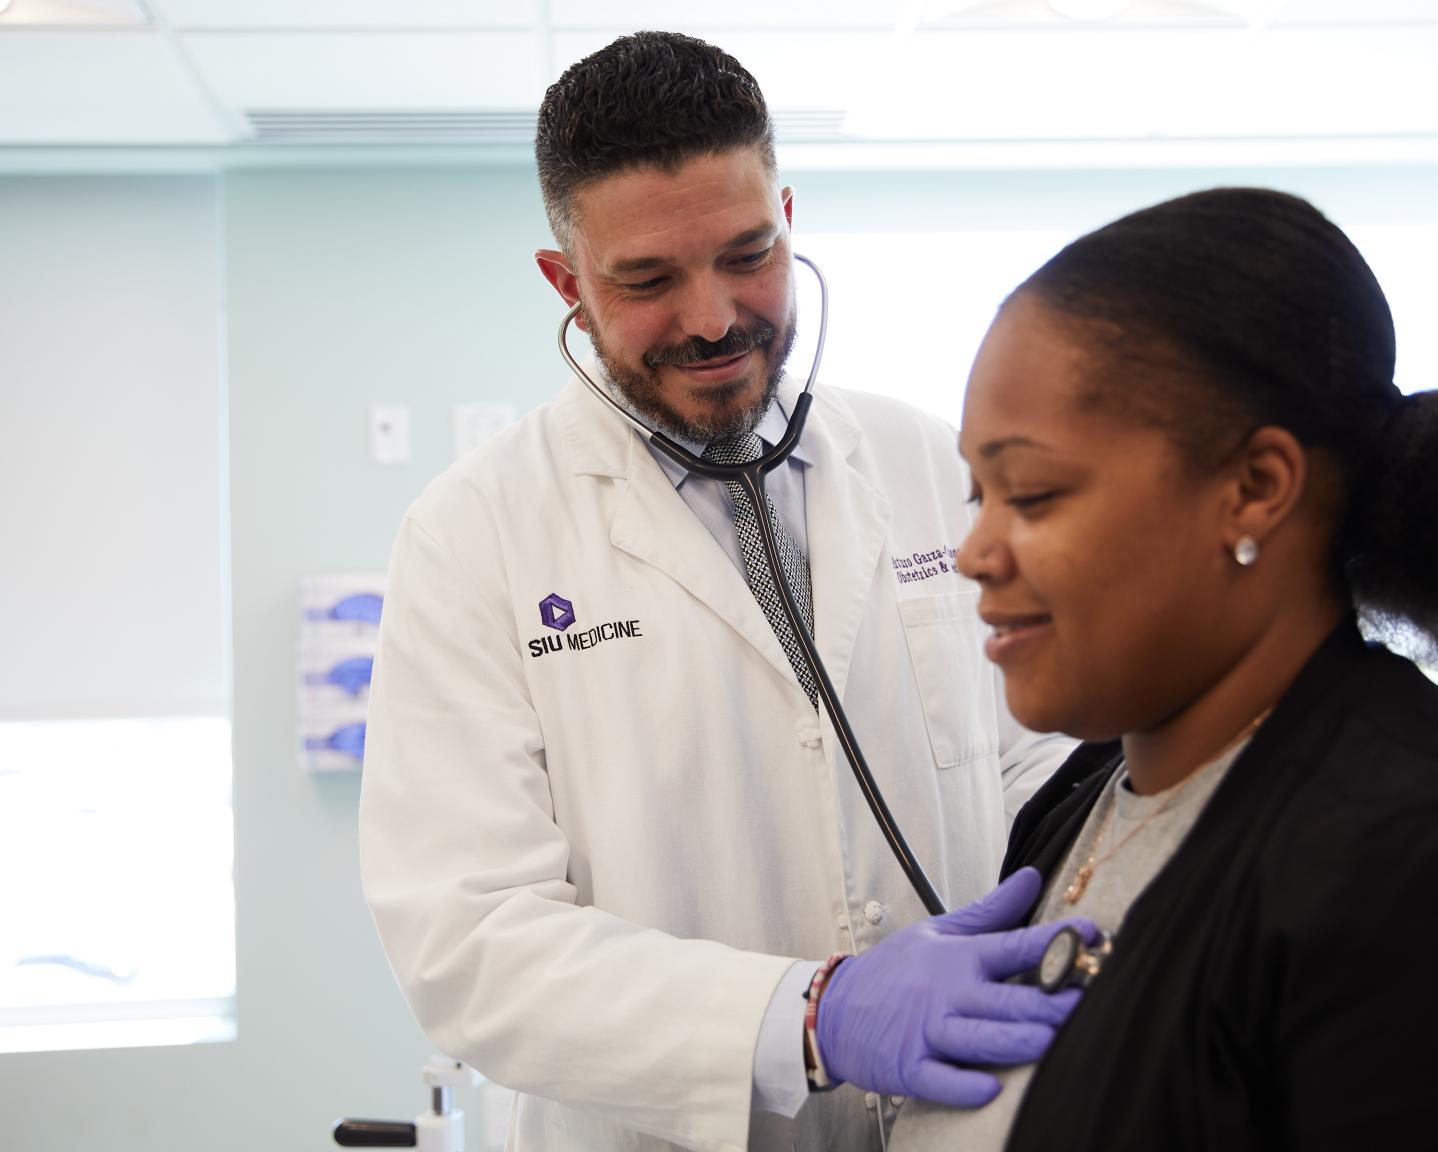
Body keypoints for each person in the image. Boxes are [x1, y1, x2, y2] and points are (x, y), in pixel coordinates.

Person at [358, 29, 1081, 1152]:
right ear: (568, 283)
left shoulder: (927, 462)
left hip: (962, 1119)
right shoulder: (473, 539)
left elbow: (1030, 752)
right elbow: (473, 945)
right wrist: (807, 1016)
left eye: (746, 255)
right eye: (646, 280)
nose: (710, 319)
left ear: (787, 221)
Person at [882, 187, 1438, 1152]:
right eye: (978, 493)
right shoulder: (1087, 792)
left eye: (1034, 493)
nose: (973, 551)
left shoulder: (1396, 858)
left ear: (1255, 489)